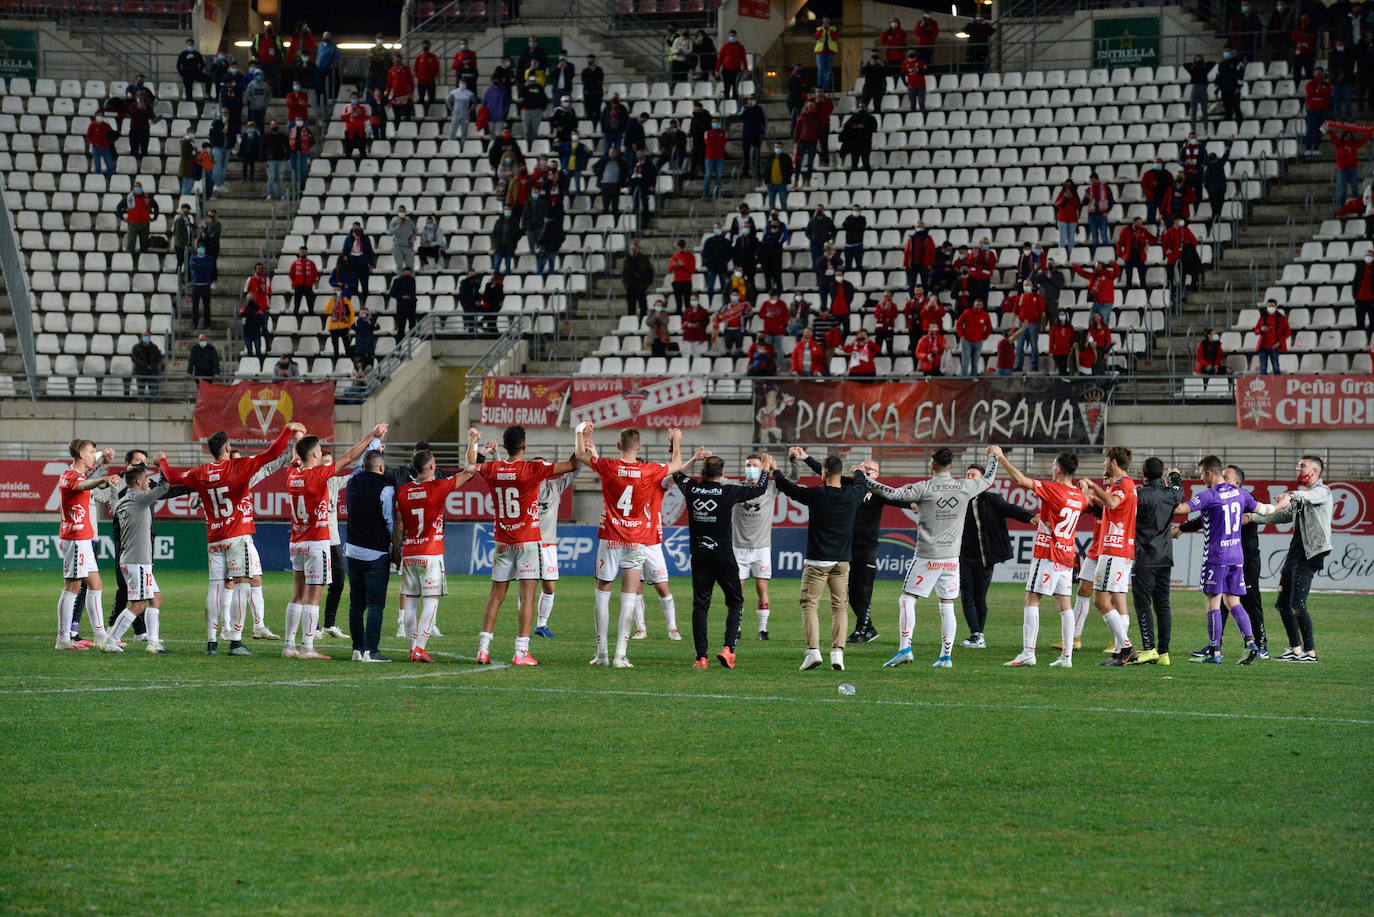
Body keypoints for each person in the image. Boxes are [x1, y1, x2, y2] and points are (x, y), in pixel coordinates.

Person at [160, 424, 303, 654]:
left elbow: (173, 477)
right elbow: (272, 454)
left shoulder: (200, 472)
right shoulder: (240, 466)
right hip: (237, 536)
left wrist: (162, 460)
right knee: (242, 586)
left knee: (215, 589)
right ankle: (236, 641)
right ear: (227, 447)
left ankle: (211, 643)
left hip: (215, 538)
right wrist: (287, 430)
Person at [861, 448, 1000, 669]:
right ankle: (945, 657)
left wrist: (864, 479)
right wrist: (994, 455)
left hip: (927, 556)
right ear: (952, 466)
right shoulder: (965, 487)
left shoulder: (924, 488)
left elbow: (892, 493)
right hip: (952, 558)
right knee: (947, 605)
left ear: (932, 465)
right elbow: (990, 477)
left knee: (907, 599)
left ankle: (905, 648)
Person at [575, 424, 684, 668]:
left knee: (602, 595)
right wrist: (676, 440)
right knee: (628, 596)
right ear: (639, 447)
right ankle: (620, 655)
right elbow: (677, 465)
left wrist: (580, 435)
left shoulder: (608, 466)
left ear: (617, 446)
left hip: (610, 538)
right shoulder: (649, 470)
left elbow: (581, 456)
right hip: (636, 539)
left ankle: (601, 653)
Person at [468, 426, 577, 666]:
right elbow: (571, 465)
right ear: (524, 447)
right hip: (527, 541)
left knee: (495, 597)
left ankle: (483, 649)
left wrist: (473, 442)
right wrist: (581, 436)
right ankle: (521, 652)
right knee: (527, 597)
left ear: (505, 447)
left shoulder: (492, 469)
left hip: (503, 542)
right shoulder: (533, 469)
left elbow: (470, 465)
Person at [280, 426, 384, 660]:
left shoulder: (292, 472)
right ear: (316, 455)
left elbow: (298, 456)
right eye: (318, 450)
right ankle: (307, 647)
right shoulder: (318, 475)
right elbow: (349, 457)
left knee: (297, 594)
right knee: (314, 596)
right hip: (316, 542)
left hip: (296, 541)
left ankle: (289, 645)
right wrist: (372, 437)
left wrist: (298, 439)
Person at [675, 452, 775, 668]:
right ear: (722, 474)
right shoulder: (727, 491)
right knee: (736, 601)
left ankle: (701, 657)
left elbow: (676, 472)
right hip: (723, 555)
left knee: (700, 605)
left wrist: (687, 454)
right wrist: (765, 469)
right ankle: (728, 648)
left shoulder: (692, 488)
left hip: (699, 554)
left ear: (703, 472)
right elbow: (759, 489)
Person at [1172, 455, 1275, 664]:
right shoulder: (1241, 494)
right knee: (1233, 601)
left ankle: (1215, 652)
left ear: (1210, 473)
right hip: (1237, 557)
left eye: (1202, 474)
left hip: (1216, 557)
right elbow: (1264, 510)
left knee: (1213, 603)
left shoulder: (1209, 495)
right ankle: (1250, 643)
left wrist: (1174, 484)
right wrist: (1283, 505)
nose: (1202, 479)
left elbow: (1179, 509)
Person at [773, 452, 868, 672]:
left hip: (817, 561)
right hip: (842, 561)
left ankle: (813, 651)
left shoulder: (816, 494)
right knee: (839, 607)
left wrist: (775, 470)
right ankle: (838, 653)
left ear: (824, 473)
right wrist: (859, 471)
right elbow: (862, 483)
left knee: (809, 605)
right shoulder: (852, 494)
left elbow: (789, 488)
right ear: (840, 473)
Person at [992, 446, 1085, 669]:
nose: (1052, 468)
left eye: (1054, 464)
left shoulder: (1054, 489)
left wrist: (1001, 457)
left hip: (1048, 553)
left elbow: (1021, 480)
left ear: (1059, 469)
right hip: (1066, 555)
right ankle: (1067, 657)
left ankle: (1028, 652)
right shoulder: (1079, 496)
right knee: (1065, 604)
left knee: (1032, 599)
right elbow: (1086, 500)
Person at [393, 448, 476, 663]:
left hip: (410, 552)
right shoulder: (437, 487)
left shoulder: (402, 491)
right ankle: (420, 647)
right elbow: (469, 471)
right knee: (431, 601)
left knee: (410, 605)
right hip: (431, 553)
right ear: (430, 467)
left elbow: (400, 524)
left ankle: (412, 649)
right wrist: (472, 444)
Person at [1247, 456, 1331, 663]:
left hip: (1310, 554)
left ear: (1315, 471)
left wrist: (1291, 494)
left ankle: (1310, 653)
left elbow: (1311, 497)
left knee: (1297, 604)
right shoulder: (1301, 496)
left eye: (1302, 466)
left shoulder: (1322, 492)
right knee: (1282, 604)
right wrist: (1253, 517)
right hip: (1296, 553)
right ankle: (1295, 649)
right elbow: (1283, 515)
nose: (1297, 468)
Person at [957, 462, 1036, 648]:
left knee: (980, 597)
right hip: (964, 556)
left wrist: (1029, 516)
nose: (969, 477)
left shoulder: (991, 499)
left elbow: (1010, 509)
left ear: (983, 480)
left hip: (986, 557)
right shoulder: (959, 500)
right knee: (966, 596)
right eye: (967, 474)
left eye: (973, 475)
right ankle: (975, 634)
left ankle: (979, 634)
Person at [1076, 447, 1141, 666]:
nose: (1103, 466)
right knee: (1112, 598)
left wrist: (1092, 486)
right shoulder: (1121, 486)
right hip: (1119, 551)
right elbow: (1110, 504)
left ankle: (1126, 648)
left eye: (1105, 461)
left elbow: (1112, 503)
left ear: (1113, 462)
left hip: (1115, 549)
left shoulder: (1124, 483)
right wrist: (1091, 495)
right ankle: (1122, 650)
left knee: (1101, 600)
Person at [53, 441, 116, 651]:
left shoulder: (77, 473)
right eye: (91, 452)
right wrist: (102, 479)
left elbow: (85, 478)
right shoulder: (71, 475)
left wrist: (101, 461)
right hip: (75, 537)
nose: (94, 455)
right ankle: (63, 638)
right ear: (81, 454)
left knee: (95, 584)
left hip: (84, 539)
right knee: (72, 587)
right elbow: (83, 485)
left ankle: (100, 637)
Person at [1128, 457, 1185, 666]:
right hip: (1165, 557)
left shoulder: (1139, 496)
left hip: (1144, 557)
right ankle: (1164, 654)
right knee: (1163, 606)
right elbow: (1180, 490)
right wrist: (1175, 475)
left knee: (1143, 604)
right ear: (1162, 476)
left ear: (1143, 474)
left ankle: (1148, 648)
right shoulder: (1171, 494)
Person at [731, 453, 782, 640]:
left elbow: (793, 479)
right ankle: (735, 627)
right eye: (748, 465)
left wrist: (776, 468)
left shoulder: (770, 488)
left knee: (762, 588)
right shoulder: (737, 488)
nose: (751, 467)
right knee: (737, 591)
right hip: (739, 547)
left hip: (761, 548)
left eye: (754, 464)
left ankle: (762, 629)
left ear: (762, 468)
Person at [532, 452, 579, 639]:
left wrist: (581, 446)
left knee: (549, 587)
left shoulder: (555, 487)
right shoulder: (523, 487)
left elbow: (573, 470)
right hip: (528, 544)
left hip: (548, 546)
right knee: (527, 587)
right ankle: (525, 625)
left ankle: (541, 625)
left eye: (542, 465)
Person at [1253, 299, 1290, 373]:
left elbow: (1288, 332)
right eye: (1269, 306)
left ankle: (1278, 384)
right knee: (1263, 369)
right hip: (1262, 347)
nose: (1271, 307)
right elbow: (1256, 331)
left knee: (1276, 368)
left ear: (1276, 307)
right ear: (1267, 306)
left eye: (1273, 306)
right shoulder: (1262, 317)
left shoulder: (1282, 318)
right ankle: (1264, 383)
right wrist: (1261, 329)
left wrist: (1279, 342)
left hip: (1274, 347)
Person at [1304, 67, 1332, 155]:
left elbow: (1327, 94)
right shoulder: (1310, 84)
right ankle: (1308, 148)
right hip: (1312, 110)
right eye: (1317, 73)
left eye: (1321, 73)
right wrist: (1319, 92)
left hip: (1323, 110)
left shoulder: (1327, 85)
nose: (1319, 75)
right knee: (1310, 129)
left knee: (1321, 130)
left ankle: (1317, 148)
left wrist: (1319, 92)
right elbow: (1310, 94)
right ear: (1314, 74)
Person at [715, 30, 748, 101]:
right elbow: (720, 59)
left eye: (733, 36)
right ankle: (727, 103)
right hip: (726, 70)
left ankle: (735, 103)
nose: (732, 37)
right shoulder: (725, 46)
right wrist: (717, 70)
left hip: (736, 70)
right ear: (728, 37)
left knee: (735, 88)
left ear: (736, 36)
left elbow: (744, 59)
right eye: (730, 36)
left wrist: (746, 70)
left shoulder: (740, 47)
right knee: (727, 88)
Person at [289, 247, 319, 317]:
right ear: (299, 253)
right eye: (301, 252)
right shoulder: (295, 264)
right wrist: (294, 282)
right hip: (298, 285)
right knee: (297, 302)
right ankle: (295, 315)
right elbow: (291, 274)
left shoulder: (311, 263)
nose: (303, 253)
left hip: (308, 285)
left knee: (310, 301)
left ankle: (311, 314)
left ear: (307, 252)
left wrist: (313, 281)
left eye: (304, 252)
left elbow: (315, 273)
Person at [1054, 181, 1081, 253]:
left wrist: (1072, 198)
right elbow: (1056, 204)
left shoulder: (1075, 195)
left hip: (1072, 220)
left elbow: (1078, 206)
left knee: (1071, 239)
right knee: (1062, 238)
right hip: (1062, 219)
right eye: (1066, 186)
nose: (1068, 188)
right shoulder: (1061, 194)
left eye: (1069, 186)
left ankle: (1071, 254)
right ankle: (1060, 254)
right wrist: (1064, 197)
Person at [813, 17, 839, 91]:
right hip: (820, 52)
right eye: (824, 22)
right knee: (821, 69)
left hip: (830, 52)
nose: (826, 23)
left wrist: (830, 31)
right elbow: (816, 37)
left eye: (827, 21)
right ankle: (819, 85)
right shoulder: (819, 30)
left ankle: (825, 87)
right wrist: (822, 30)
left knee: (827, 70)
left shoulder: (833, 30)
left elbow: (835, 38)